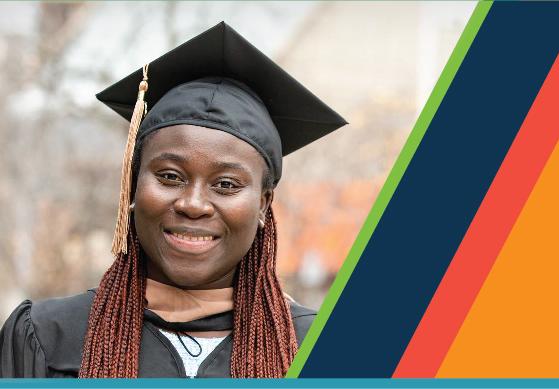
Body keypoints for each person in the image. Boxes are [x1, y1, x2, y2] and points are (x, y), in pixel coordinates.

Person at [0, 22, 346, 378]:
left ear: (262, 204)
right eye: (169, 177)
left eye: (226, 184)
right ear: (133, 187)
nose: (193, 204)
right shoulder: (47, 338)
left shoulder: (321, 349)